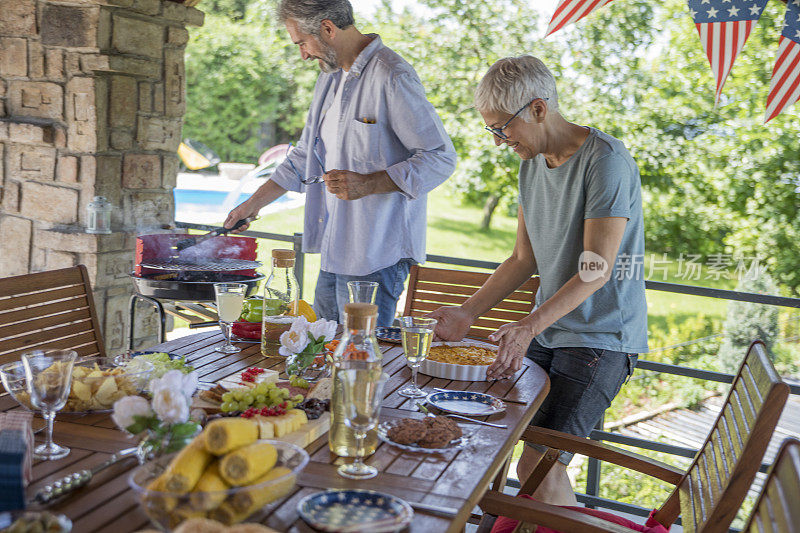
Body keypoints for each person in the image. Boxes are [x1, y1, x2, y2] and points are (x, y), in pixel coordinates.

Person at [429, 56, 648, 506]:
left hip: (600, 338)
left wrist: (529, 324)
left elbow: (596, 269)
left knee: (539, 466)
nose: (498, 141)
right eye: (491, 130)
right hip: (551, 329)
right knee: (502, 443)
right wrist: (466, 312)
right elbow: (522, 258)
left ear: (538, 109)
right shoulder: (531, 166)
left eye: (502, 128)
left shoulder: (606, 161)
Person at [224, 0, 456, 327]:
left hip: (378, 256)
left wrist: (369, 183)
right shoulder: (330, 78)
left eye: (303, 43)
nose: (303, 54)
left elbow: (440, 158)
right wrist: (251, 205)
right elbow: (306, 156)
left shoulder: (392, 74)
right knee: (320, 353)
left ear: (328, 28)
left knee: (359, 364)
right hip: (335, 250)